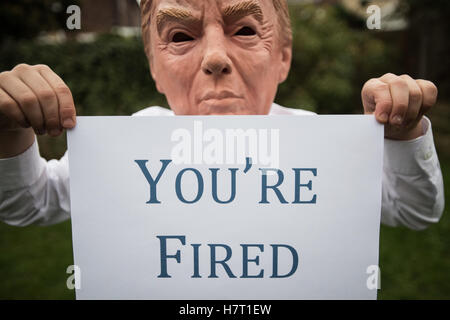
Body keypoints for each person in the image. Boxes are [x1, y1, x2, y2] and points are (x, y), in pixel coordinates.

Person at [0, 0, 444, 229]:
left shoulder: (315, 144)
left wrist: (402, 133)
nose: (215, 57)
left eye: (246, 30)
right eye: (180, 35)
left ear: (283, 57)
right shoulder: (128, 145)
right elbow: (29, 205)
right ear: (155, 67)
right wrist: (10, 129)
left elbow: (416, 211)